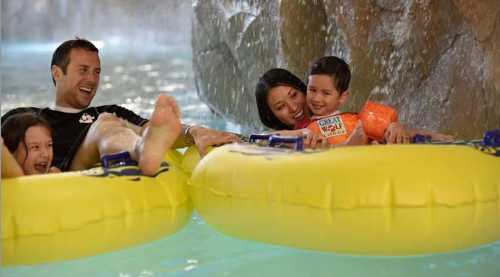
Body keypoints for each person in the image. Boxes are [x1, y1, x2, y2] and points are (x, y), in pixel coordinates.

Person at [1, 38, 239, 176]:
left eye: (96, 72)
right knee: (105, 121)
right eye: (83, 70)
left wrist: (194, 132)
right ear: (57, 72)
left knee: (107, 121)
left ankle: (143, 151)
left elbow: (153, 128)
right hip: (55, 178)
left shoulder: (108, 112)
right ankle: (142, 150)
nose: (92, 79)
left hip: (87, 165)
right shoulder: (27, 117)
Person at [305, 56, 453, 145]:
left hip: (374, 160)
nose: (317, 98)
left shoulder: (354, 119)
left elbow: (393, 130)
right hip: (343, 162)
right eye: (312, 90)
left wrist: (396, 127)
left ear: (343, 97)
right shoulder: (306, 127)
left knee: (387, 127)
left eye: (326, 93)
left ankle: (440, 139)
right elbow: (292, 134)